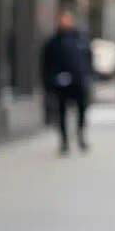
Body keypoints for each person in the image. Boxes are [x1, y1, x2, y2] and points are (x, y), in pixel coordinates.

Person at [41, 11, 92, 155]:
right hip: (61, 83)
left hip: (79, 81)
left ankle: (81, 136)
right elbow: (46, 64)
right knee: (61, 112)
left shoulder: (81, 39)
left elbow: (88, 59)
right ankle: (64, 141)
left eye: (68, 19)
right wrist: (50, 80)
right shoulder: (53, 42)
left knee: (82, 110)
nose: (66, 22)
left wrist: (87, 76)